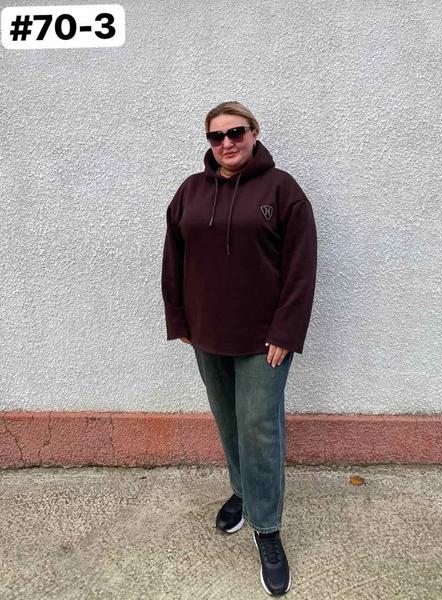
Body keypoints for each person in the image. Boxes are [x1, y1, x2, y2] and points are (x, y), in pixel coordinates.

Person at [161, 101, 317, 596]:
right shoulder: (190, 191)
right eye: (216, 136)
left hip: (263, 341)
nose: (226, 142)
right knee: (229, 421)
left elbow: (301, 265)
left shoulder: (282, 190)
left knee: (259, 429)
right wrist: (179, 319)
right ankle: (243, 493)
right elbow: (173, 257)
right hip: (207, 335)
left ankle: (266, 528)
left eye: (236, 132)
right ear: (209, 142)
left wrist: (286, 331)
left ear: (254, 133)